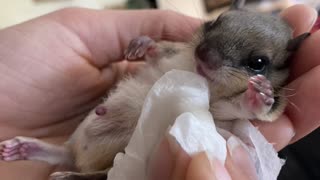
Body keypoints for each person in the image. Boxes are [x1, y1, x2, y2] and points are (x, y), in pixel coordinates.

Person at [0, 4, 318, 180]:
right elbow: (169, 55)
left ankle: (84, 173)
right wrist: (150, 48)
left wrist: (255, 103)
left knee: (139, 156)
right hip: (104, 114)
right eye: (212, 30)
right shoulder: (190, 49)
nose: (206, 55)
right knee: (95, 128)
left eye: (256, 62)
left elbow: (261, 110)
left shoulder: (253, 90)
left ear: (275, 65)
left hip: (129, 136)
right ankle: (58, 152)